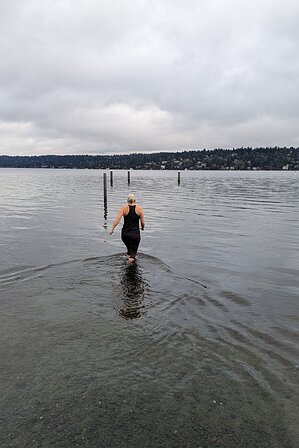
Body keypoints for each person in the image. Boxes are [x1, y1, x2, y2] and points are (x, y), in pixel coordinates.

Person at [109, 194, 145, 263]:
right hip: (135, 235)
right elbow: (142, 221)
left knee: (129, 252)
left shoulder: (123, 208)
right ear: (135, 200)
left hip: (125, 235)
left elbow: (117, 219)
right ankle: (130, 268)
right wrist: (142, 227)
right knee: (133, 255)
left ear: (127, 200)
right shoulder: (140, 209)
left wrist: (112, 229)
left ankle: (128, 263)